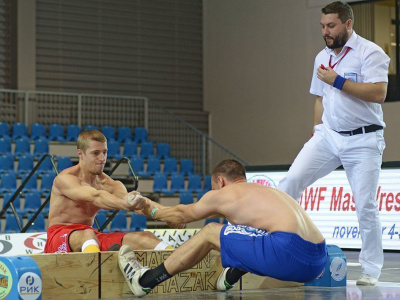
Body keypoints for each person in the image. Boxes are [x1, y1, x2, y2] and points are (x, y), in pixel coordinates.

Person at [277, 1, 390, 286]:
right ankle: (283, 249)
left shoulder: (370, 52)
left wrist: (338, 81)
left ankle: (371, 269)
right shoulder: (321, 57)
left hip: (364, 138)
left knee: (365, 205)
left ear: (348, 24)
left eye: (331, 26)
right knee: (290, 182)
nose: (326, 32)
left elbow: (379, 93)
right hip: (328, 135)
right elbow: (320, 98)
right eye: (322, 26)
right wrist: (316, 131)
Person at [117, 159, 328, 297]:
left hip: (287, 252)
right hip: (318, 261)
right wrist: (162, 211)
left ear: (220, 181)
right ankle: (231, 275)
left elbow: (182, 215)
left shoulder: (225, 194)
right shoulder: (263, 193)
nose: (213, 193)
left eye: (213, 188)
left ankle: (145, 281)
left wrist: (149, 210)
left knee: (210, 232)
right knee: (243, 231)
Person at [44, 129, 174, 254]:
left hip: (89, 237)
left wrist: (166, 214)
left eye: (104, 152)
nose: (102, 158)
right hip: (58, 237)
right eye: (95, 153)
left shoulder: (110, 184)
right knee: (88, 235)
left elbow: (135, 204)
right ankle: (98, 271)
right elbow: (96, 196)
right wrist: (125, 204)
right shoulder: (64, 179)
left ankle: (179, 265)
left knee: (146, 237)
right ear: (80, 154)